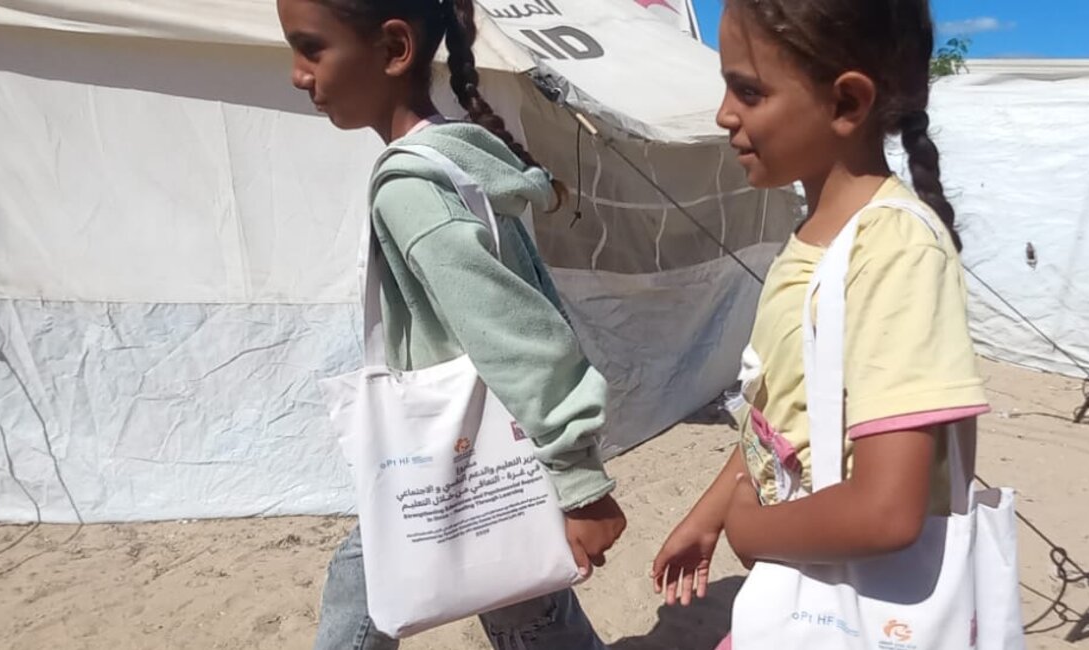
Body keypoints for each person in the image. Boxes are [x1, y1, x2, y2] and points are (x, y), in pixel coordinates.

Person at [274, 1, 626, 648]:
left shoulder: (411, 189)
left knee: (526, 620)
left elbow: (510, 328)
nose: (297, 73)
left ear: (393, 50)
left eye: (310, 48)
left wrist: (580, 483)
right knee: (365, 579)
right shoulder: (460, 159)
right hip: (458, 457)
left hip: (475, 462)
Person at [649, 0, 986, 643]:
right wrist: (713, 512)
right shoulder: (811, 237)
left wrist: (751, 530)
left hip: (856, 607)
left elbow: (887, 513)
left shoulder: (894, 250)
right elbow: (781, 413)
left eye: (748, 91)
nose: (724, 114)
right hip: (801, 589)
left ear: (846, 104)